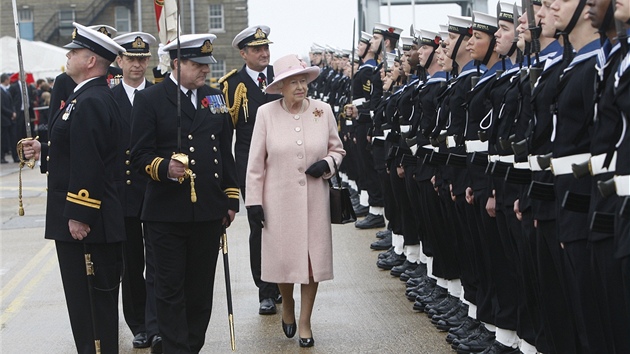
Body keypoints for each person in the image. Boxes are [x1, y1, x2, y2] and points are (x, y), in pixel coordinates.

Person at [129, 33, 240, 354]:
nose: (204, 70)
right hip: (166, 213)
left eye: (207, 64)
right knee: (168, 289)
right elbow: (138, 156)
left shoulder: (215, 98)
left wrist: (231, 199)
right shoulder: (151, 100)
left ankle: (191, 346)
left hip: (208, 211)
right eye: (196, 64)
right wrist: (164, 168)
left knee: (200, 290)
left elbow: (224, 152)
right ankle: (175, 347)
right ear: (176, 63)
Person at [20, 22, 126, 353]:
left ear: (91, 59)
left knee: (92, 309)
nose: (69, 55)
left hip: (88, 225)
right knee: (85, 310)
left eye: (75, 51)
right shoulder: (85, 97)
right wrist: (45, 150)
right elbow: (77, 150)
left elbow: (91, 161)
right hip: (84, 222)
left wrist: (80, 213)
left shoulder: (92, 100)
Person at [245, 54, 346, 347]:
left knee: (312, 263)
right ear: (281, 87)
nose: (301, 86)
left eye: (303, 80)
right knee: (284, 261)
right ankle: (286, 303)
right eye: (293, 82)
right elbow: (255, 164)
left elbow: (337, 150)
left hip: (315, 199)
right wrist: (253, 202)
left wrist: (327, 164)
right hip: (277, 201)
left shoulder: (323, 110)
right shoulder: (266, 114)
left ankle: (305, 321)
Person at [219, 25, 283, 315]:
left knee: (283, 226)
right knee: (259, 225)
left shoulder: (281, 78)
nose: (264, 53)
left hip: (283, 166)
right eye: (257, 49)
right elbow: (225, 135)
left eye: (266, 47)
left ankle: (283, 282)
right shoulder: (233, 85)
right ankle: (265, 290)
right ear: (243, 53)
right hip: (251, 168)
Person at [111, 31, 160, 351]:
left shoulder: (158, 95)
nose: (138, 65)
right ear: (119, 61)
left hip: (155, 191)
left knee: (158, 262)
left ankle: (156, 324)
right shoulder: (108, 96)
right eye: (131, 59)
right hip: (123, 194)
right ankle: (139, 324)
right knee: (131, 265)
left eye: (143, 59)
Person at [1, 73, 15, 163]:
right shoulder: (1, 91)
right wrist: (11, 113)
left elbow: (11, 103)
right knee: (2, 139)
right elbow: (1, 106)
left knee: (9, 138)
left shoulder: (6, 90)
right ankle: (1, 156)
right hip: (3, 119)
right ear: (5, 80)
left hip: (8, 119)